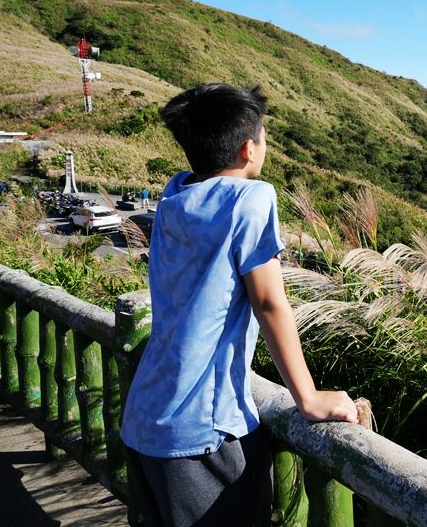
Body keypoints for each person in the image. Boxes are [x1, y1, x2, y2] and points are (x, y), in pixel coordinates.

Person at [120, 83, 357, 526]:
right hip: (201, 431)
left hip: (143, 419)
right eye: (264, 137)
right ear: (250, 148)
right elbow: (268, 301)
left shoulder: (175, 196)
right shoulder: (251, 200)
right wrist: (307, 399)